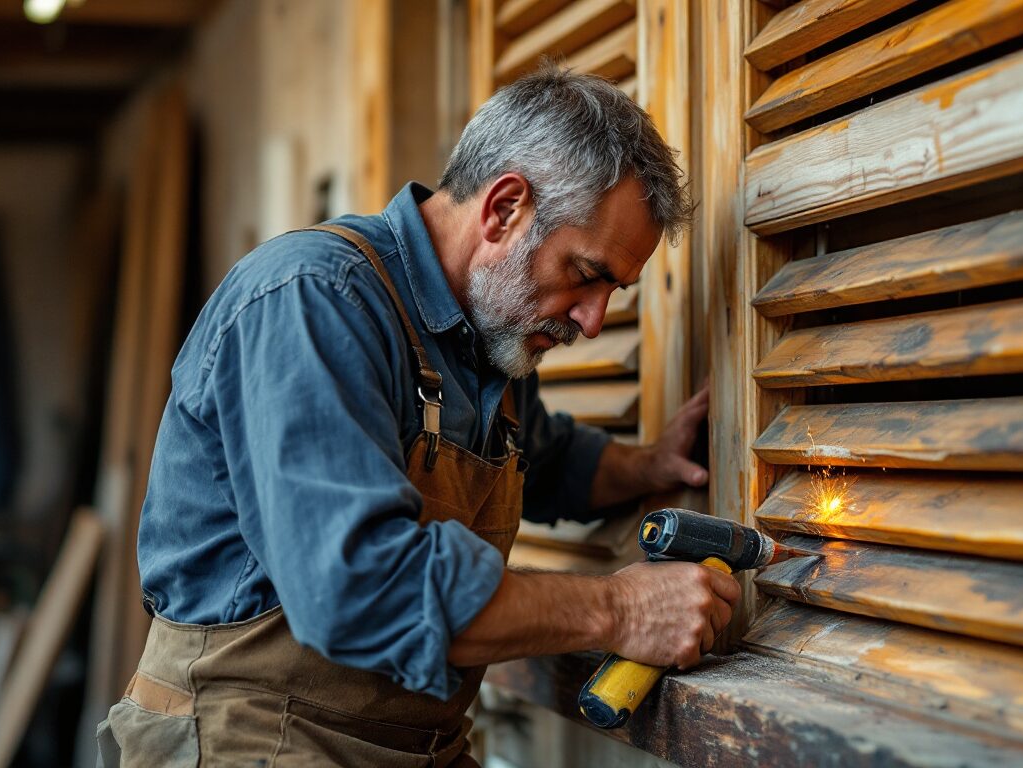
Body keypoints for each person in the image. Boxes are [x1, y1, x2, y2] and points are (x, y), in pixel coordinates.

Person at [96, 65, 740, 767]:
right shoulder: (313, 301)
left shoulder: (490, 334)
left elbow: (547, 462)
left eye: (614, 289)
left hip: (417, 747)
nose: (593, 321)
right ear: (504, 210)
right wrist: (620, 611)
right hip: (253, 735)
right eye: (586, 275)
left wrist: (651, 463)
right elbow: (362, 588)